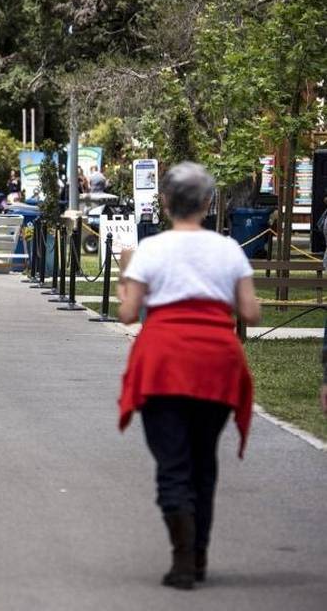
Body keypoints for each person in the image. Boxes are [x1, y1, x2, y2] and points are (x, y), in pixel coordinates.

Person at [116, 162, 259, 590]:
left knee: (173, 463)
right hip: (216, 360)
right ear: (209, 203)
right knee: (203, 462)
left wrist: (127, 285)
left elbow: (127, 313)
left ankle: (182, 560)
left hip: (164, 360)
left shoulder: (152, 249)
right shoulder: (229, 249)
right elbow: (250, 312)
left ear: (164, 202)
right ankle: (199, 555)